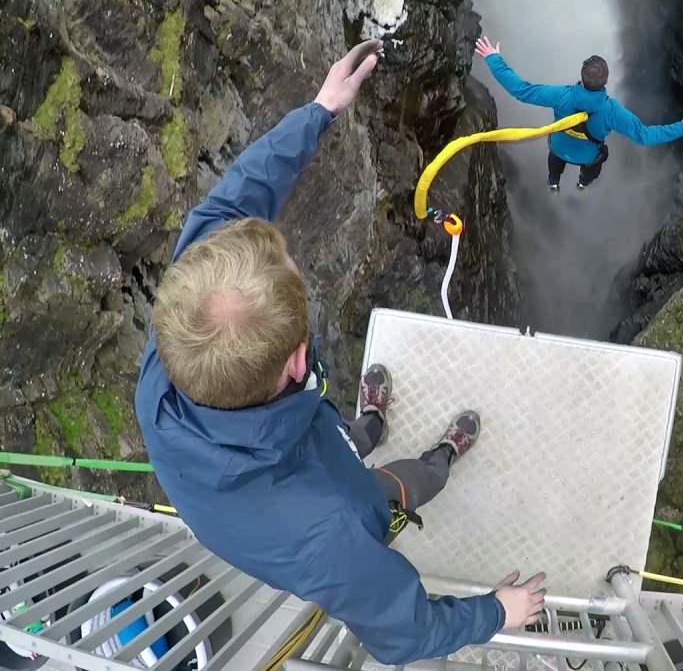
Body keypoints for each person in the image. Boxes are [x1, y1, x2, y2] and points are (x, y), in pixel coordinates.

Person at [134, 40, 547, 665]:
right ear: (297, 362)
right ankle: (442, 454)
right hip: (336, 498)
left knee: (349, 435)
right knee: (400, 487)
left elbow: (230, 205)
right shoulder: (334, 537)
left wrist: (320, 111)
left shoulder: (177, 347)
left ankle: (371, 423)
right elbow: (405, 634)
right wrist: (498, 610)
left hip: (290, 444)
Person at [474, 36, 683, 192]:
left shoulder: (561, 96)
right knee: (592, 169)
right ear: (605, 83)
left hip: (559, 149)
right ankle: (583, 185)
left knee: (554, 166)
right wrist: (682, 127)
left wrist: (493, 58)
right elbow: (644, 135)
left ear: (581, 79)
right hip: (588, 156)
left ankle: (553, 184)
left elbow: (521, 91)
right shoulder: (612, 112)